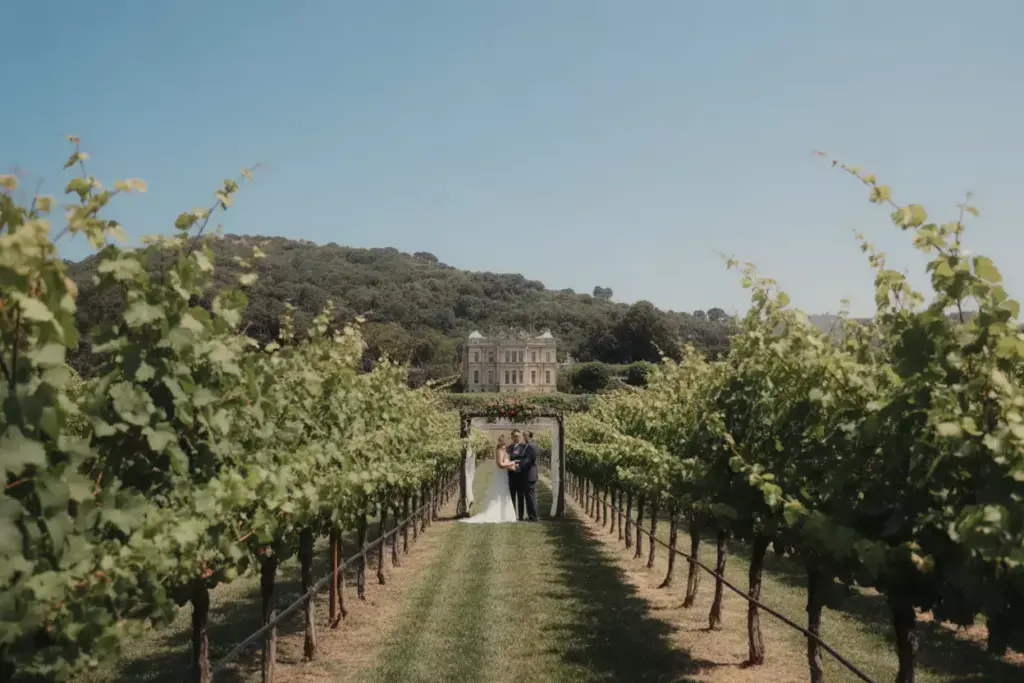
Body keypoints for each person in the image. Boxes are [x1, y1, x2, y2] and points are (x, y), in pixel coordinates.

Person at [459, 434, 518, 524]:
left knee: (504, 493)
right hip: (500, 476)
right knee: (500, 493)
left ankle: (505, 514)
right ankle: (499, 514)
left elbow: (504, 463)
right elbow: (500, 464)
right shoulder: (499, 450)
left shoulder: (504, 450)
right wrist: (511, 463)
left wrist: (511, 465)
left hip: (504, 476)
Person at [508, 428, 540, 521]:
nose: (517, 438)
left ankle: (523, 516)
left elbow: (528, 460)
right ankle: (514, 515)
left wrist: (518, 465)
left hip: (523, 475)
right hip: (512, 475)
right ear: (512, 437)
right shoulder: (509, 447)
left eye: (519, 436)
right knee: (513, 495)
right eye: (514, 436)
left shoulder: (526, 446)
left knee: (523, 496)